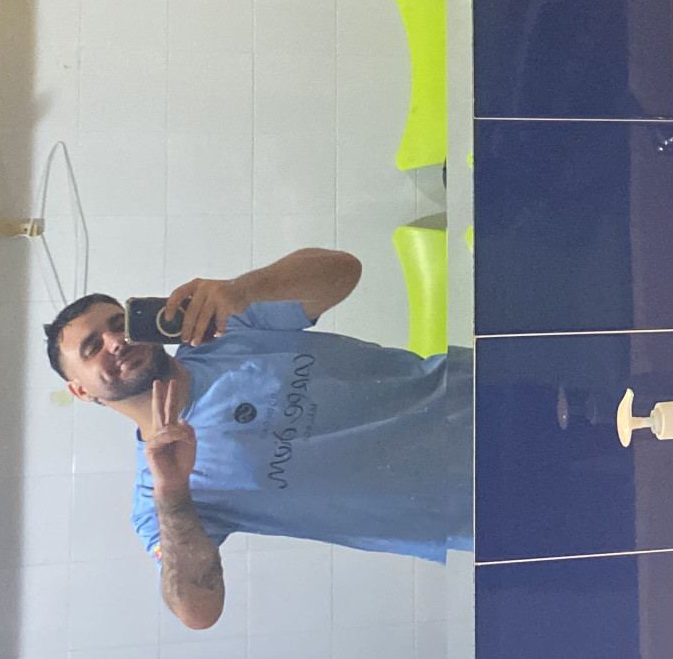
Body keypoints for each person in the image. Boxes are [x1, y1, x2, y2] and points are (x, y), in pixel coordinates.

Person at [41, 247, 471, 629]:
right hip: (470, 504)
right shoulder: (157, 494)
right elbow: (198, 611)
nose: (115, 341)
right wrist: (172, 493)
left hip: (475, 388)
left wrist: (241, 289)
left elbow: (346, 271)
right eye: (92, 347)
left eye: (120, 324)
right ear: (80, 390)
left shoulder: (226, 330)